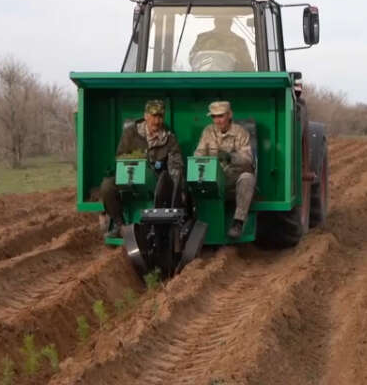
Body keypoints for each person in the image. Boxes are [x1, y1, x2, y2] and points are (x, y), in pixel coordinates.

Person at [100, 100, 184, 238]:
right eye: (154, 116)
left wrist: (175, 183)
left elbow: (176, 165)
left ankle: (159, 229)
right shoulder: (130, 133)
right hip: (130, 175)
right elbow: (120, 156)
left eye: (160, 117)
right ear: (146, 116)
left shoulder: (169, 138)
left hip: (155, 180)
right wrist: (137, 161)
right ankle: (119, 225)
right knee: (107, 186)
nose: (157, 121)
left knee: (168, 185)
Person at [194, 101, 256, 239]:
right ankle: (195, 223)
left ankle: (238, 222)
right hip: (212, 178)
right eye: (214, 117)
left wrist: (230, 157)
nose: (217, 120)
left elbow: (247, 159)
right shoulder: (208, 132)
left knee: (247, 178)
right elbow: (198, 154)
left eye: (221, 116)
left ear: (229, 115)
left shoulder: (240, 132)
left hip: (232, 178)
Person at [189, 15, 255, 72]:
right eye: (221, 21)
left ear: (230, 23)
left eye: (226, 21)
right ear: (215, 22)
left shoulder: (239, 42)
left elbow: (248, 66)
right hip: (202, 79)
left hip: (231, 81)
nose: (224, 24)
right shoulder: (202, 38)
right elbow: (193, 59)